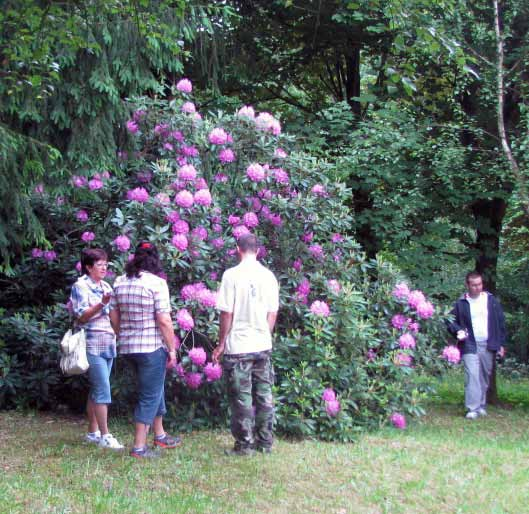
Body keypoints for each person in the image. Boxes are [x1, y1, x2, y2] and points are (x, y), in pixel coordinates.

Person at [110, 241, 180, 458]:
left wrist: (121, 333)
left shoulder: (120, 281)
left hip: (128, 347)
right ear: (155, 259)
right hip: (151, 348)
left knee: (154, 388)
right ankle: (139, 447)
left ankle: (159, 435)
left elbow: (113, 313)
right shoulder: (157, 283)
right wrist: (172, 349)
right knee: (149, 394)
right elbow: (164, 320)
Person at [213, 234, 280, 456]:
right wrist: (265, 334)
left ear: (237, 250)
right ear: (258, 250)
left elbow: (226, 314)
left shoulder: (231, 276)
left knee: (242, 398)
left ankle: (244, 445)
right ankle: (265, 442)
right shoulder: (269, 276)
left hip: (238, 345)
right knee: (264, 395)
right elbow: (273, 312)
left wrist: (221, 342)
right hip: (262, 343)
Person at [70, 248, 124, 450]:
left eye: (106, 264)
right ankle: (105, 435)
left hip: (108, 342)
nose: (104, 267)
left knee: (97, 388)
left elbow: (112, 315)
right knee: (103, 389)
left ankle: (92, 432)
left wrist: (119, 334)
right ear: (88, 267)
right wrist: (102, 303)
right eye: (100, 264)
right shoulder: (80, 286)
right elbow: (81, 316)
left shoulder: (106, 286)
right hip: (91, 342)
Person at [447, 271, 506, 419]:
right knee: (472, 374)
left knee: (484, 376)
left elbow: (500, 322)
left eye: (479, 284)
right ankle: (472, 408)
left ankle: (480, 405)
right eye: (474, 285)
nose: (477, 287)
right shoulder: (461, 303)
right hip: (469, 343)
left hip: (488, 343)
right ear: (467, 285)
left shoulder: (491, 301)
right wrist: (458, 331)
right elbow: (449, 320)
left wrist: (501, 344)